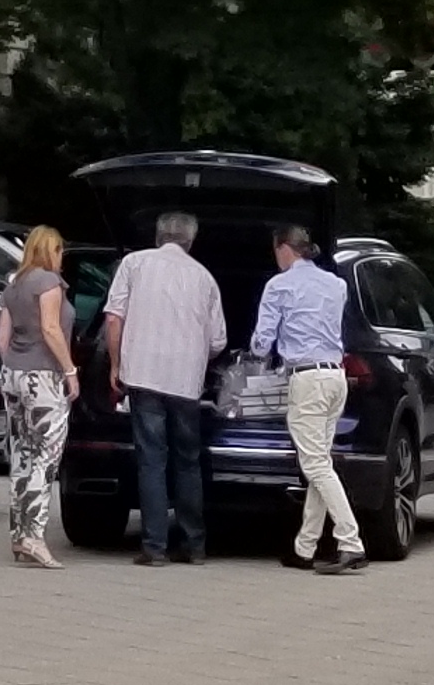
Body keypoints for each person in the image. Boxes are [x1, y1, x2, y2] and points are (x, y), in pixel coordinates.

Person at [97, 208, 223, 566]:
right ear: (190, 240)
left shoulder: (134, 265)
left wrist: (117, 365)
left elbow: (113, 318)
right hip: (186, 382)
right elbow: (218, 340)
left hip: (143, 376)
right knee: (188, 462)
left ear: (158, 235)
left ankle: (154, 548)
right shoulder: (205, 278)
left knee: (152, 460)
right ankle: (194, 545)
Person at [250, 225, 362, 574]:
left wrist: (254, 353)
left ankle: (351, 541)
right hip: (336, 378)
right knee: (320, 462)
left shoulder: (279, 286)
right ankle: (305, 547)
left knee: (314, 465)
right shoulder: (337, 284)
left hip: (308, 379)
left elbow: (262, 341)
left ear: (284, 248)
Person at [0, 225, 76, 568]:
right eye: (59, 251)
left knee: (22, 454)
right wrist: (70, 371)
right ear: (48, 252)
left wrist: (14, 363)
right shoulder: (49, 283)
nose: (62, 259)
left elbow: (2, 338)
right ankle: (35, 537)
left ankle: (18, 534)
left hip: (13, 374)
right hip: (44, 378)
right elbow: (51, 328)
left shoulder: (13, 285)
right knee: (46, 458)